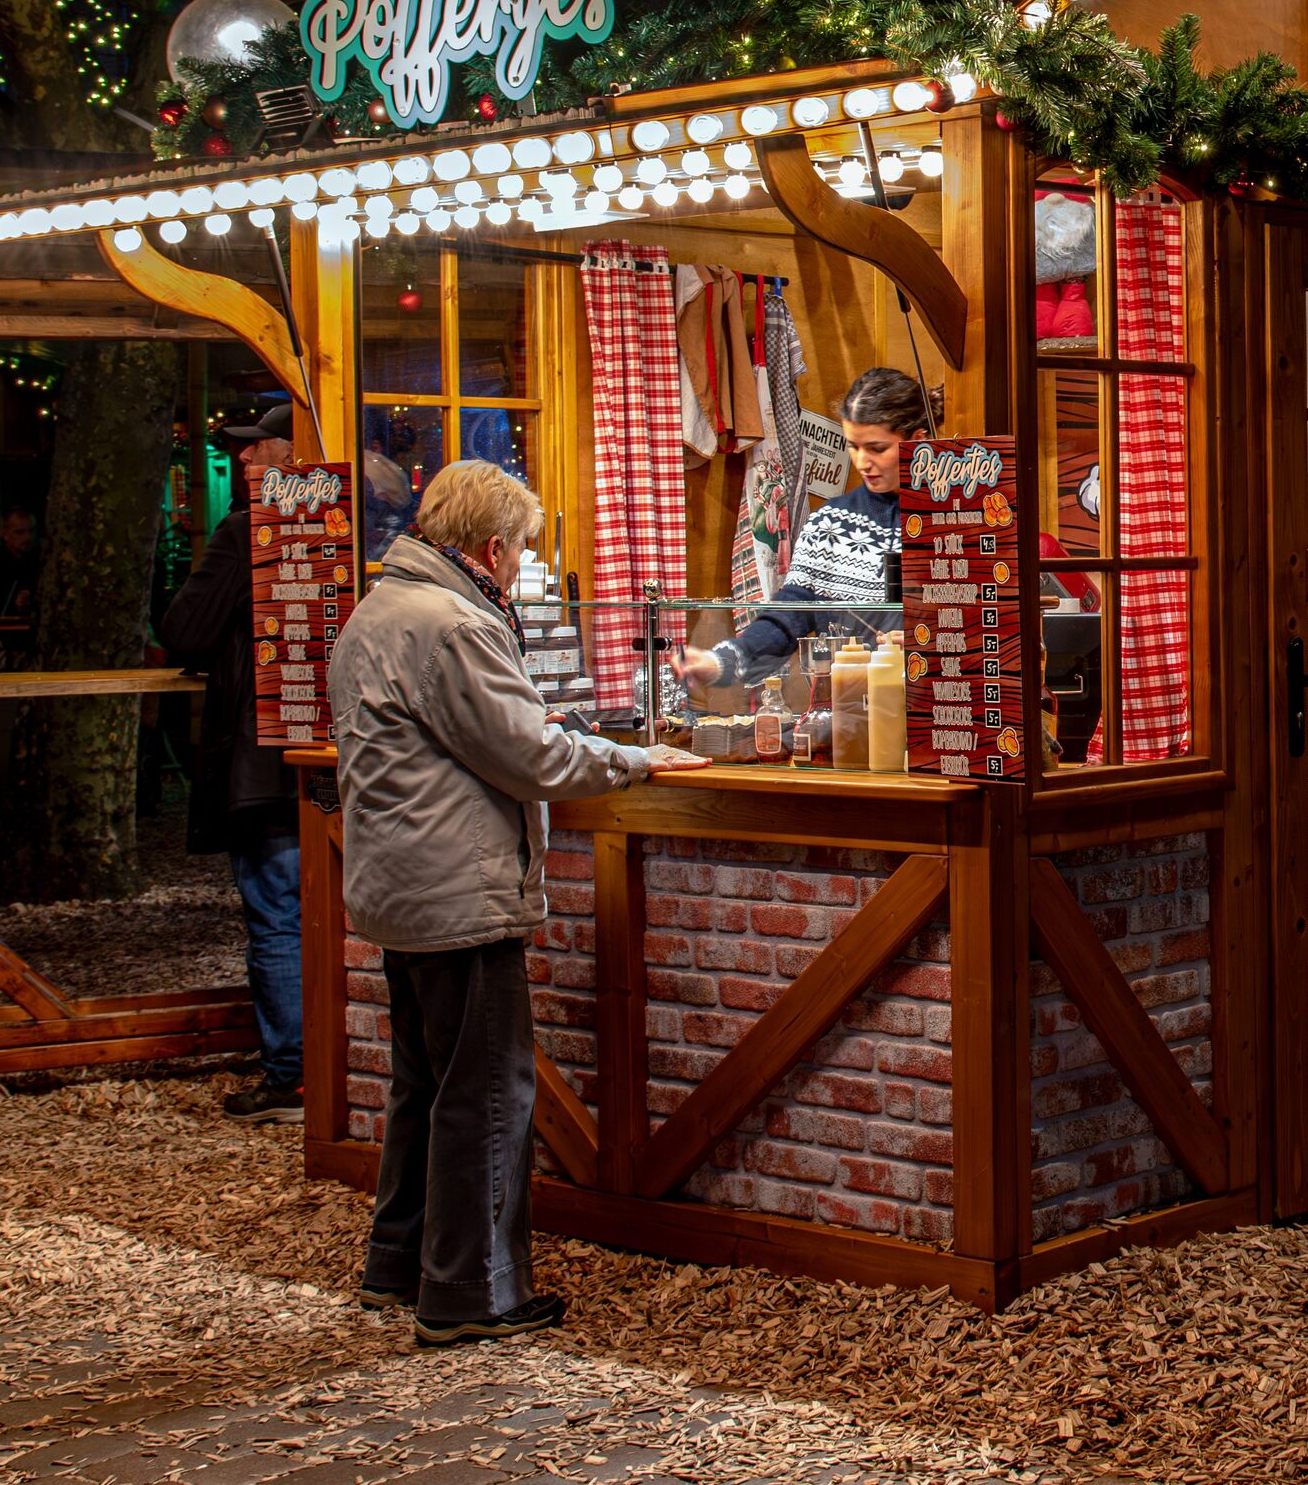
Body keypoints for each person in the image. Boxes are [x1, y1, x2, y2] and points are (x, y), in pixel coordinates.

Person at [331, 460, 703, 1345]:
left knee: (425, 1081)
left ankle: (399, 1263)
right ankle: (471, 1291)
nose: (522, 563)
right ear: (493, 549)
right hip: (458, 887)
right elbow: (530, 757)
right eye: (523, 549)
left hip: (400, 884)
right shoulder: (453, 623)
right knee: (489, 1091)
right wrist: (633, 758)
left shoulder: (380, 607)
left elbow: (493, 738)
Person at [158, 401, 306, 1123]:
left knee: (277, 911)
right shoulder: (353, 530)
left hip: (262, 759)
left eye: (257, 448)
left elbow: (184, 629)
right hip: (339, 755)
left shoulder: (246, 532)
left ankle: (291, 1075)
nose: (241, 461)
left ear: (294, 457)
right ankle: (340, 1065)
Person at [670, 367, 934, 695]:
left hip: (948, 714)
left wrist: (930, 641)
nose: (862, 461)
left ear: (919, 441)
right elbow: (789, 616)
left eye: (877, 448)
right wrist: (721, 661)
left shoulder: (958, 521)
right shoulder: (831, 524)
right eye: (853, 446)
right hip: (852, 713)